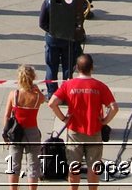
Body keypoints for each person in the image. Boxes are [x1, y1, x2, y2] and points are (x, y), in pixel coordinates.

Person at [49, 54, 119, 190]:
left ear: (76, 68)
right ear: (92, 68)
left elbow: (52, 103)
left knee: (74, 167)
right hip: (94, 132)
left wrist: (63, 118)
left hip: (74, 132)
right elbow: (114, 107)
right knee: (94, 168)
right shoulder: (99, 86)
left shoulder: (68, 85)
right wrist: (104, 121)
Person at [2, 65, 45, 190]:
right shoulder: (37, 97)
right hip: (32, 132)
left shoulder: (14, 94)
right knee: (33, 166)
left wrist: (5, 133)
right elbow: (44, 99)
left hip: (16, 132)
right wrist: (36, 89)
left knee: (14, 165)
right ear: (33, 78)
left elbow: (7, 115)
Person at [38, 0, 85, 97]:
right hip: (68, 39)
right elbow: (79, 20)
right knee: (68, 67)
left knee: (51, 67)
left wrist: (53, 31)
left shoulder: (48, 0)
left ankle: (51, 93)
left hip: (52, 39)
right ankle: (67, 93)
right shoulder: (73, 0)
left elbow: (42, 22)